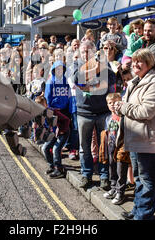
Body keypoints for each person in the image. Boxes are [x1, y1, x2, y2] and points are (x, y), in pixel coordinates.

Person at [115, 49, 155, 220]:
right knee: (138, 177)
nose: (135, 64)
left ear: (150, 64)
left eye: (140, 62)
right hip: (135, 137)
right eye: (134, 61)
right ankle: (137, 210)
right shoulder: (134, 82)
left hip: (147, 139)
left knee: (146, 179)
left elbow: (147, 111)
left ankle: (144, 215)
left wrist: (123, 107)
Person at [73, 40, 116, 190]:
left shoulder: (104, 63)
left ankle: (104, 176)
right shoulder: (77, 64)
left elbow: (112, 79)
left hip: (102, 112)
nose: (85, 54)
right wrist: (97, 71)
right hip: (83, 112)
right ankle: (86, 174)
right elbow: (77, 79)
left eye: (88, 51)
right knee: (84, 147)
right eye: (83, 51)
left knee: (103, 146)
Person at [100, 93, 131, 205]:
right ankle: (113, 187)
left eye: (115, 102)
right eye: (110, 103)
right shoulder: (108, 118)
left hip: (121, 147)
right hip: (110, 146)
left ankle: (120, 192)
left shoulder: (123, 117)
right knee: (111, 167)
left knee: (120, 170)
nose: (112, 105)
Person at [36, 96, 71, 179]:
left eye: (42, 105)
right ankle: (52, 166)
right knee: (45, 148)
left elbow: (67, 120)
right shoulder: (40, 114)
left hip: (63, 132)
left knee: (56, 149)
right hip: (53, 134)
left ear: (46, 105)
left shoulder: (53, 111)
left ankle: (59, 170)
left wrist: (61, 130)